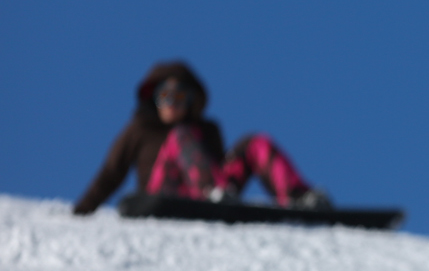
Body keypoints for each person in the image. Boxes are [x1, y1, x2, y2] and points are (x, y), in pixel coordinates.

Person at [73, 60, 330, 215]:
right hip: (163, 194)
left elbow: (218, 163)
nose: (172, 104)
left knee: (255, 142)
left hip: (213, 190)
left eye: (180, 97)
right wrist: (83, 210)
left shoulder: (206, 130)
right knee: (180, 136)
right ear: (155, 100)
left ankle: (299, 197)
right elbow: (110, 173)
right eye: (166, 97)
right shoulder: (139, 129)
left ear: (191, 101)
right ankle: (211, 193)